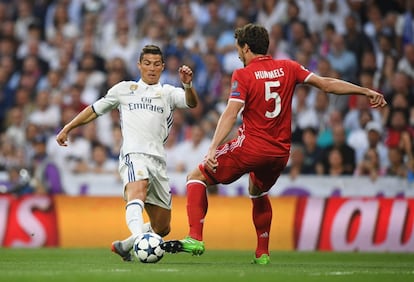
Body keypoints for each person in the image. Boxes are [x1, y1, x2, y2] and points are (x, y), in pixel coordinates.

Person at [161, 23, 387, 265]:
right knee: (257, 191)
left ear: (246, 48)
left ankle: (195, 237)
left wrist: (212, 148)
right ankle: (263, 253)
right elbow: (326, 85)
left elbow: (231, 112)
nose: (238, 55)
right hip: (280, 153)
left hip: (251, 147)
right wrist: (365, 91)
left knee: (196, 177)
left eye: (239, 49)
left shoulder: (244, 74)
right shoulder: (288, 67)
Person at [55, 45, 199, 261]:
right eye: (147, 63)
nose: (151, 68)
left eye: (156, 64)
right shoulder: (124, 89)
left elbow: (191, 102)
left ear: (162, 67)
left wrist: (187, 85)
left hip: (158, 161)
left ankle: (126, 245)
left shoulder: (168, 92)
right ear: (139, 65)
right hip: (133, 154)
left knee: (162, 227)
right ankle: (141, 239)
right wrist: (68, 127)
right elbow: (94, 110)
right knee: (137, 190)